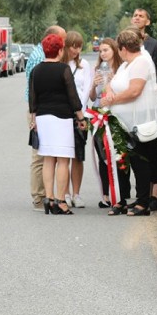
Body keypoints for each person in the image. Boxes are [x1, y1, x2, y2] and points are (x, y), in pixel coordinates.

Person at [100, 29, 157, 216]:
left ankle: (143, 202)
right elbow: (112, 82)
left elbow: (135, 91)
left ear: (123, 48)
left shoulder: (141, 62)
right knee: (127, 161)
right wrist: (109, 90)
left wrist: (112, 99)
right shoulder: (125, 65)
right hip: (122, 121)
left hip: (139, 121)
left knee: (141, 161)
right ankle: (127, 198)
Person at [28, 33, 84, 215]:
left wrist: (33, 117)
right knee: (63, 160)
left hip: (43, 118)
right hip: (62, 117)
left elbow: (32, 97)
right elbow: (73, 96)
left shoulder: (36, 70)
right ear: (60, 50)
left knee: (48, 159)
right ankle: (60, 201)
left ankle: (48, 198)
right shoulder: (63, 70)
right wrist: (81, 118)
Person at [25, 25, 66, 211]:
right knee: (40, 155)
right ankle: (39, 197)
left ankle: (45, 195)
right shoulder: (41, 58)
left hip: (40, 109)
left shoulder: (40, 53)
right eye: (62, 40)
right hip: (40, 109)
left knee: (44, 154)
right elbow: (37, 88)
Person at [88, 38, 124, 208]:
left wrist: (112, 81)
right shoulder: (96, 70)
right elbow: (93, 97)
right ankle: (105, 194)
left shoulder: (121, 68)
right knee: (103, 155)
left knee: (117, 154)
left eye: (106, 50)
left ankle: (121, 192)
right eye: (100, 51)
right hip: (98, 114)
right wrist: (94, 85)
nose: (102, 54)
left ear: (114, 50)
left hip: (114, 113)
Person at [61, 31, 93, 209]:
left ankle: (76, 193)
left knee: (78, 156)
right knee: (64, 155)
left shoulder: (84, 65)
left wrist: (82, 110)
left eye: (79, 46)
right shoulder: (61, 63)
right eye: (73, 46)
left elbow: (87, 87)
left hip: (80, 114)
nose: (76, 49)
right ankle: (64, 192)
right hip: (64, 114)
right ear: (66, 46)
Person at [131, 8, 157, 81]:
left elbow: (153, 69)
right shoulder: (122, 41)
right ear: (131, 20)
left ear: (147, 22)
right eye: (135, 15)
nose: (137, 18)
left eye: (141, 16)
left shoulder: (154, 44)